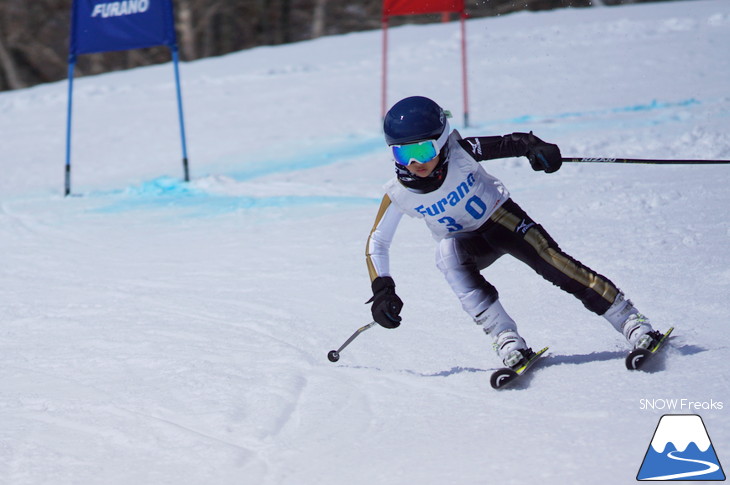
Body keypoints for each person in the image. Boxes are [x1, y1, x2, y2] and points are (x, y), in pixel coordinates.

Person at [365, 95, 663, 369]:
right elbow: (377, 242)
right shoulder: (399, 194)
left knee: (552, 263)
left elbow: (513, 143)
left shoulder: (461, 154)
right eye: (403, 154)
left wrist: (536, 148)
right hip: (467, 245)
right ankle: (505, 338)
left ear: (442, 141)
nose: (416, 163)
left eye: (423, 149)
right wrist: (382, 289)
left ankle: (630, 321)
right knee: (446, 255)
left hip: (502, 220)